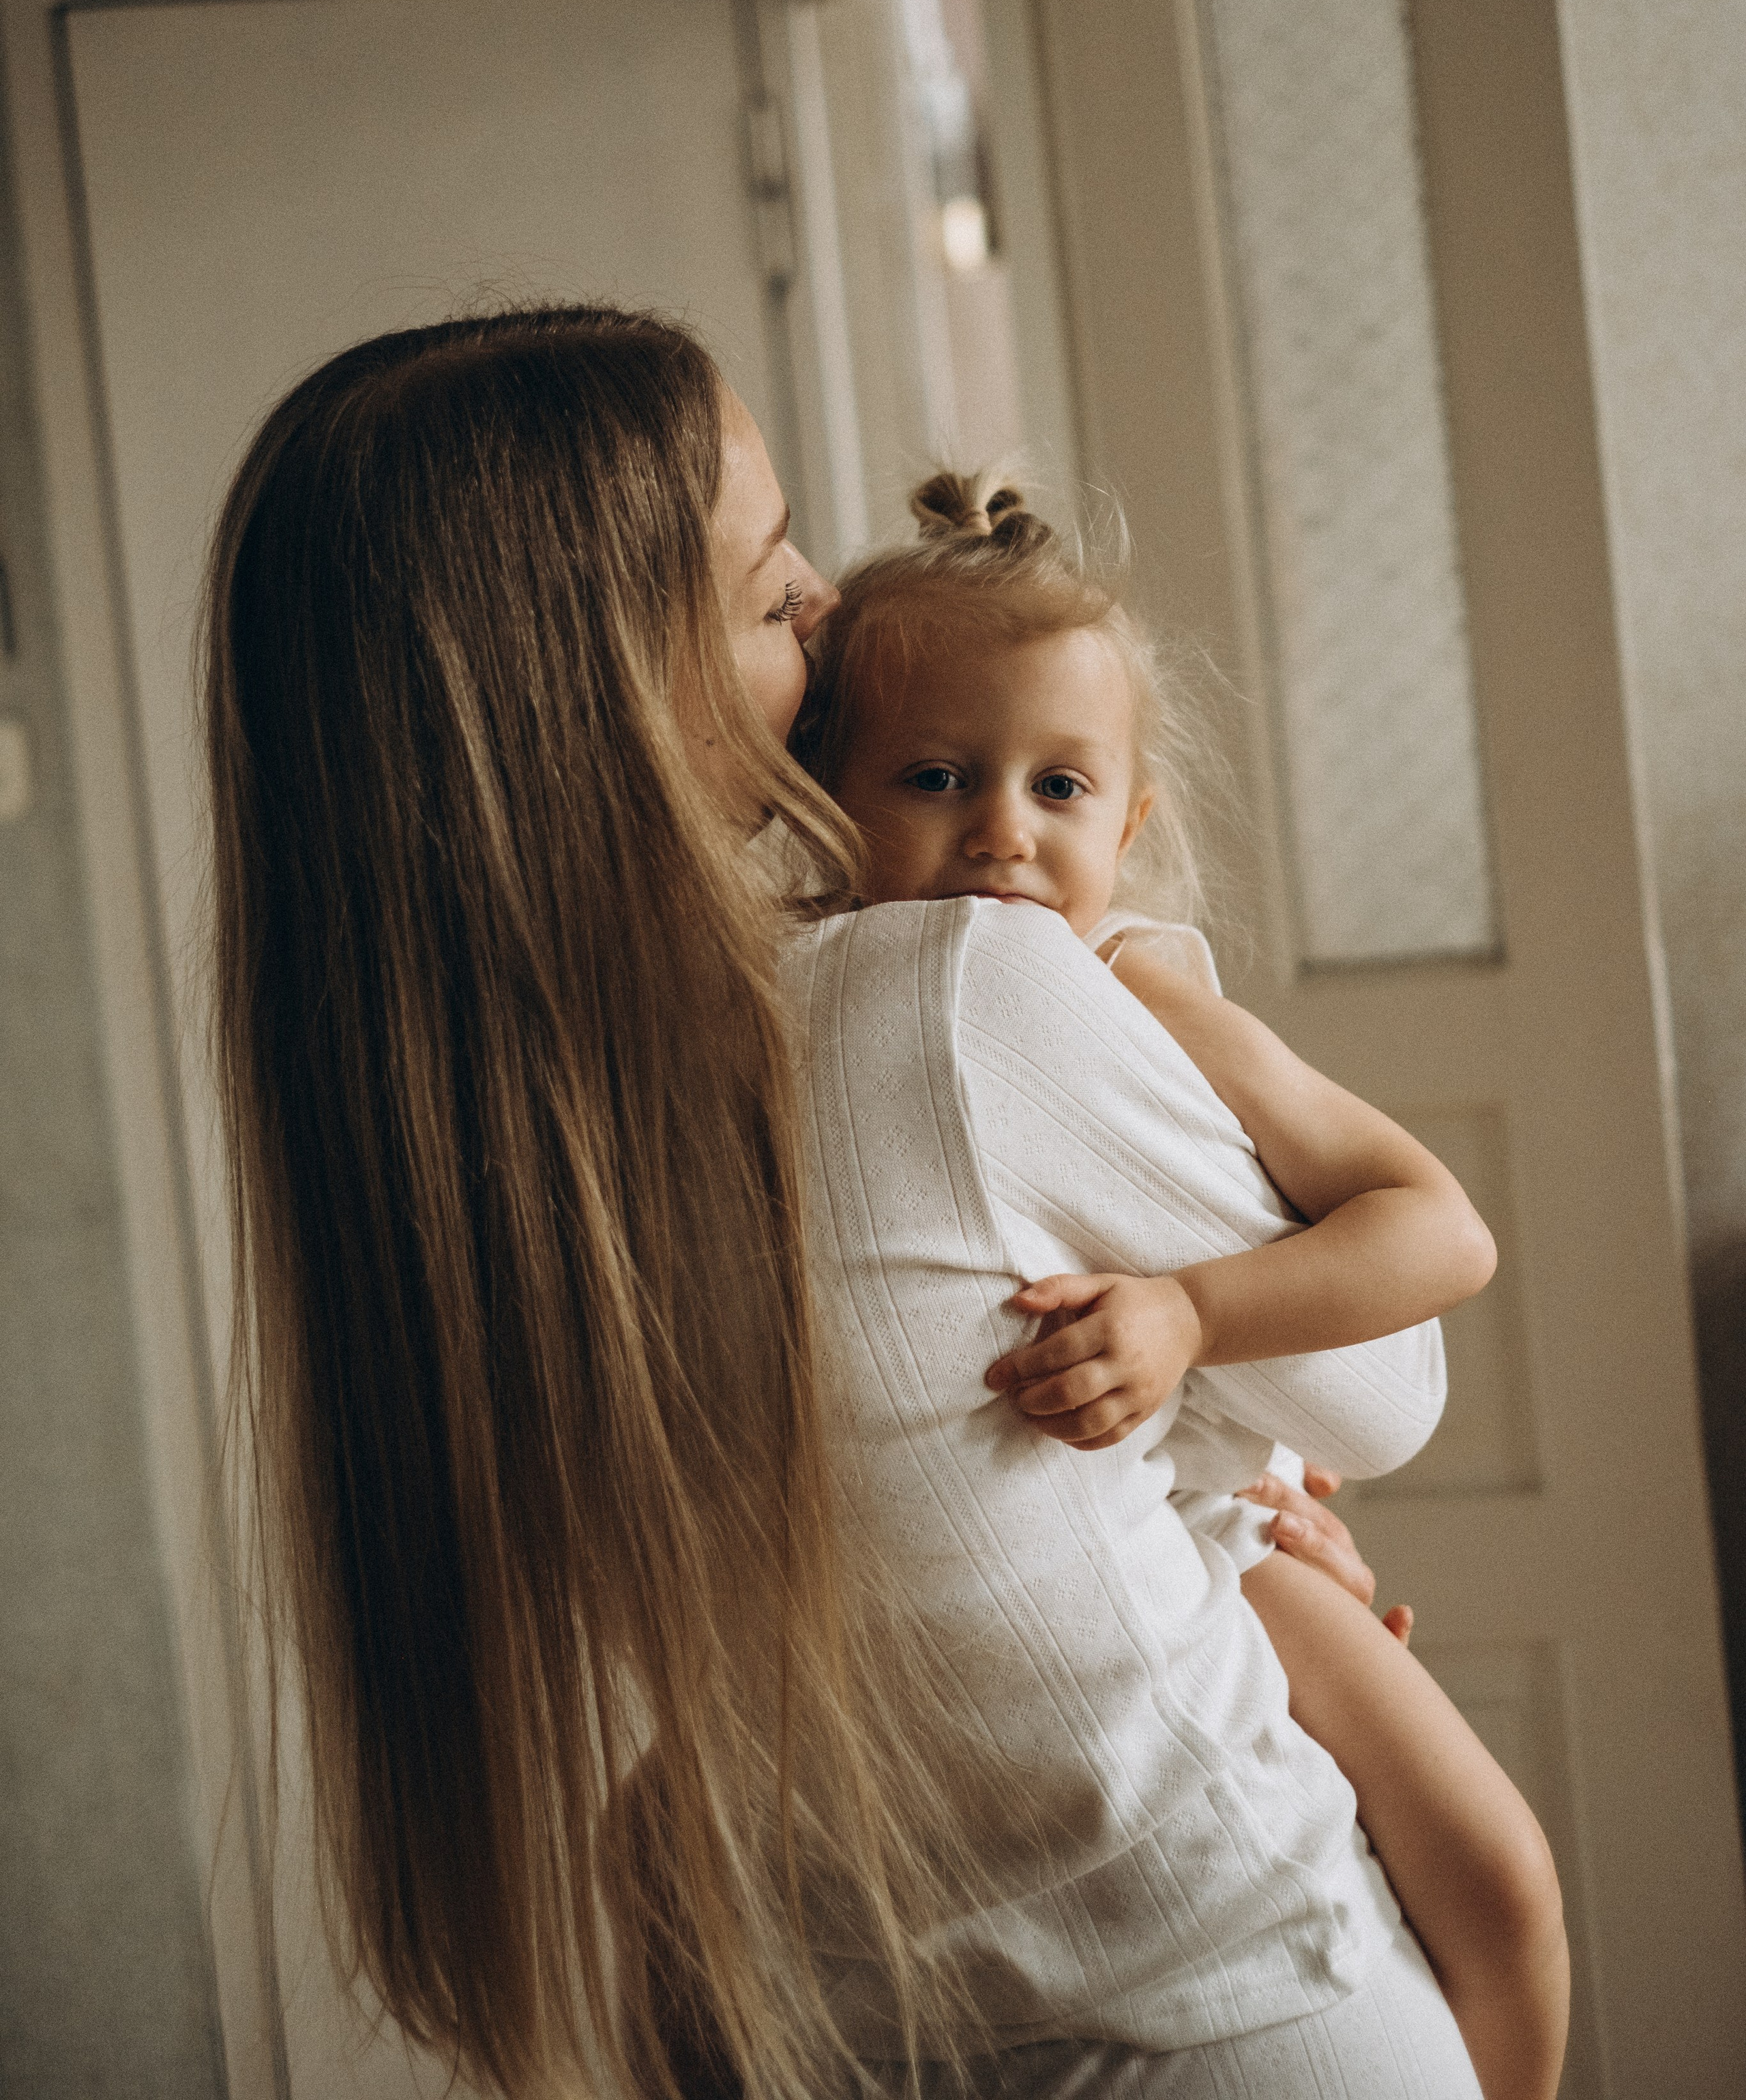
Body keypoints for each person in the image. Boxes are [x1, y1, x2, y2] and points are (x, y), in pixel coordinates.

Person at [203, 306, 1495, 2100]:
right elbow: (1384, 1391)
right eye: (766, 587)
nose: (831, 609)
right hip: (1239, 2010)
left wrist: (1188, 1476)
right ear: (612, 690)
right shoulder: (954, 997)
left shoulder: (463, 1206)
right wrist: (1231, 1468)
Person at [794, 467, 1569, 2100]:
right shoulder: (823, 1000)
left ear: (1128, 822)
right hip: (1091, 1600)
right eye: (935, 776)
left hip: (1237, 1533)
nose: (1002, 830)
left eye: (1058, 787)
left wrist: (1197, 1312)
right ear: (824, 798)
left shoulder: (1135, 987)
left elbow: (1438, 1229)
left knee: (1493, 1880)